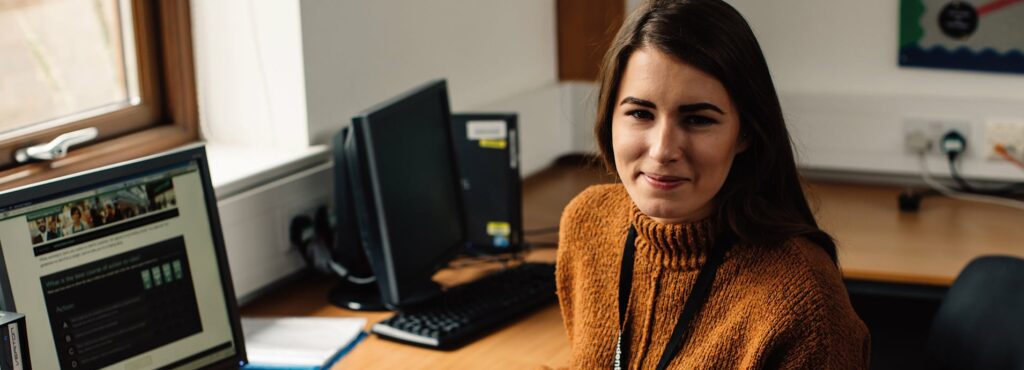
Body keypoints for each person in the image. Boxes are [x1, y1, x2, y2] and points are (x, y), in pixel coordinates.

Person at [555, 0, 870, 368]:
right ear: (610, 118)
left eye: (698, 120)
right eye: (640, 113)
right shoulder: (587, 222)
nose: (662, 150)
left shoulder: (804, 300)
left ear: (745, 133)